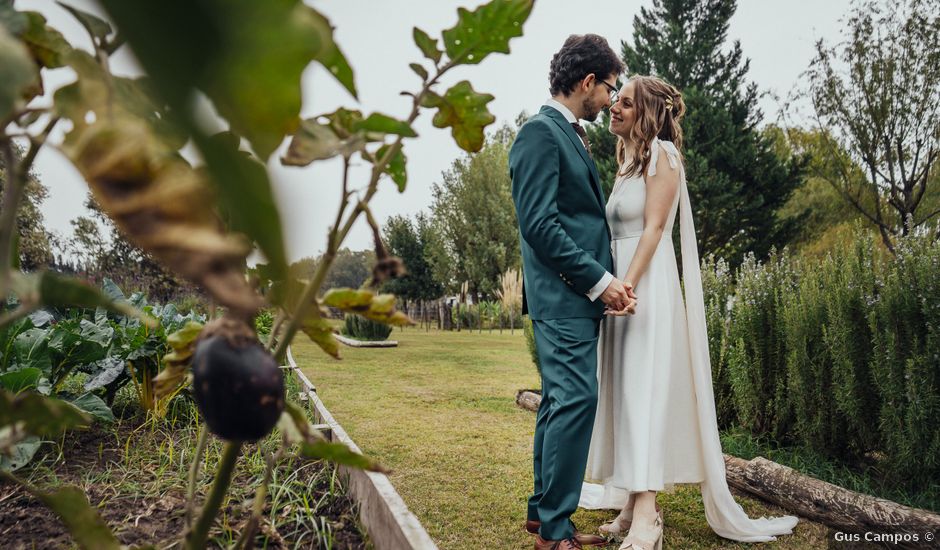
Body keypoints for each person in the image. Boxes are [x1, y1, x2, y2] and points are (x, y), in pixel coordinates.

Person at [579, 75, 800, 550]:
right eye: (615, 101)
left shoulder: (665, 157)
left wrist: (626, 286)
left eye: (626, 103)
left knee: (644, 390)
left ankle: (647, 516)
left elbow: (656, 230)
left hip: (644, 287)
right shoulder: (626, 165)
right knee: (623, 391)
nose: (614, 107)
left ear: (648, 114)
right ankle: (630, 502)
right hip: (618, 286)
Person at [509, 34, 637, 550]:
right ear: (588, 82)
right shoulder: (539, 134)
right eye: (610, 87)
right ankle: (555, 534)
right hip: (564, 296)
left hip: (570, 299)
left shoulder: (570, 134)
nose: (611, 98)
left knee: (559, 401)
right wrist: (601, 282)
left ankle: (543, 516)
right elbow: (540, 226)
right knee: (577, 399)